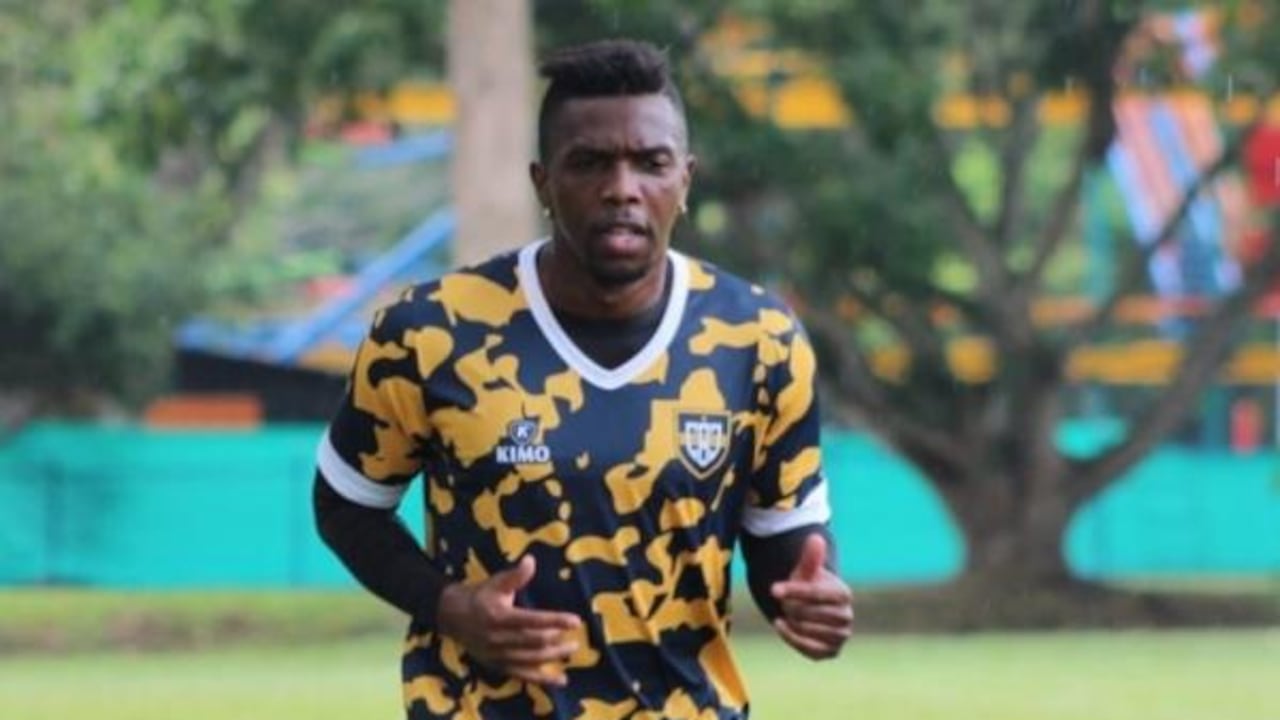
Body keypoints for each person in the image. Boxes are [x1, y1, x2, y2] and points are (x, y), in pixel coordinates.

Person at [313, 38, 853, 720]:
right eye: (590, 163)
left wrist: (814, 596)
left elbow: (784, 545)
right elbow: (345, 505)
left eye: (650, 163)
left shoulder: (759, 339)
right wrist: (449, 605)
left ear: (684, 180)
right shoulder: (428, 333)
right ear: (543, 182)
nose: (621, 188)